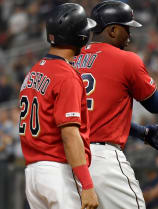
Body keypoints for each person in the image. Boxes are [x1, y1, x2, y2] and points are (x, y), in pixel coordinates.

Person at [73, 1, 158, 209]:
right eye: (126, 29)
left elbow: (93, 114)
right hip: (103, 160)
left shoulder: (72, 61)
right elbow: (155, 103)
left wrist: (140, 132)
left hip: (68, 162)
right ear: (112, 30)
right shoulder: (125, 59)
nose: (130, 35)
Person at [19, 3, 99, 209]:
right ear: (80, 37)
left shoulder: (33, 72)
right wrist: (87, 184)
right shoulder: (66, 76)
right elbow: (70, 134)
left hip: (33, 174)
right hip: (58, 171)